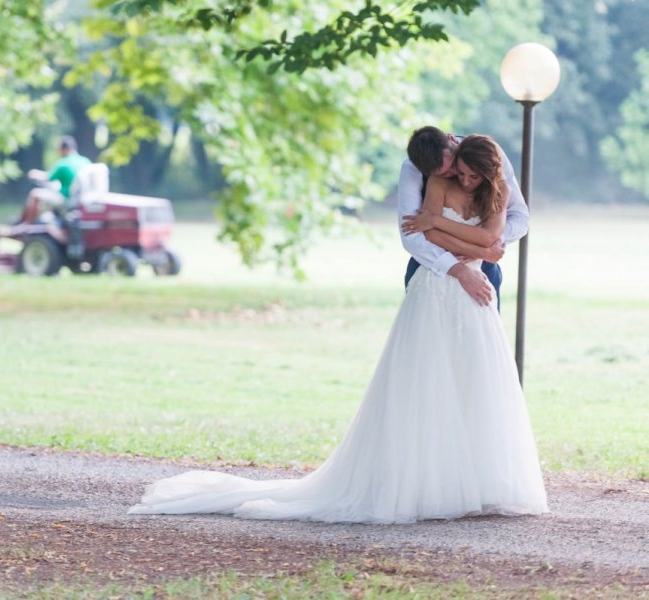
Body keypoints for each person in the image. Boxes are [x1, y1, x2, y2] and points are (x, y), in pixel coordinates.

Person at [128, 135, 548, 524]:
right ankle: (425, 483)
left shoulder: (490, 164)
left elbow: (506, 229)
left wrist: (464, 238)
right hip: (437, 275)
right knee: (425, 378)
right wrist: (459, 259)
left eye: (458, 169)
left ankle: (479, 480)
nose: (457, 176)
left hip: (478, 274)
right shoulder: (422, 173)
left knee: (477, 375)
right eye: (448, 172)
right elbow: (413, 236)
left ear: (457, 147)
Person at [400, 126, 529, 309]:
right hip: (433, 267)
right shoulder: (413, 170)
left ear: (451, 140)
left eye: (453, 164)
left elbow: (520, 217)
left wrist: (492, 242)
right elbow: (412, 236)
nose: (457, 176)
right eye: (444, 174)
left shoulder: (489, 154)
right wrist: (462, 267)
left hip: (484, 268)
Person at [17, 136, 92, 256]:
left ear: (64, 149)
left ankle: (26, 224)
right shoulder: (85, 161)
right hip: (82, 200)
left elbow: (47, 177)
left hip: (67, 200)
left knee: (35, 194)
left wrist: (34, 173)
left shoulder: (63, 163)